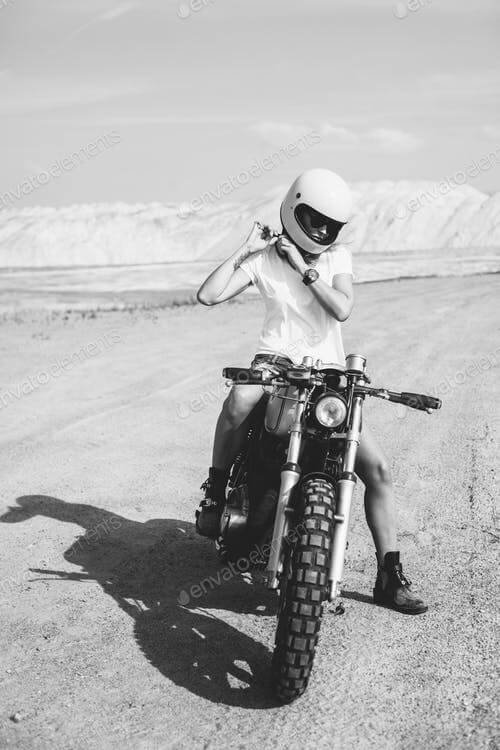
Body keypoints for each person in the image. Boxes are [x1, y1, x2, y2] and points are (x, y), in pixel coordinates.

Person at [195, 168, 427, 615]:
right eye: (313, 219)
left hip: (327, 376)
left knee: (377, 470)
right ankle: (218, 485)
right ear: (293, 207)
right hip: (275, 366)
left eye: (329, 224)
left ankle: (388, 576)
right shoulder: (263, 262)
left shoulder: (337, 258)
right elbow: (208, 296)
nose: (321, 230)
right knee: (240, 398)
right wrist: (245, 250)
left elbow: (342, 309)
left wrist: (304, 268)